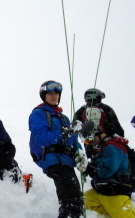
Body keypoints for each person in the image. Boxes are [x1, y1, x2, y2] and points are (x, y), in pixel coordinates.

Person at [28, 80, 85, 218]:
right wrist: (64, 133)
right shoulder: (38, 114)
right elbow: (40, 138)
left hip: (66, 161)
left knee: (75, 197)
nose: (54, 96)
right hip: (52, 159)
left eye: (57, 93)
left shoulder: (64, 118)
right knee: (71, 198)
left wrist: (80, 154)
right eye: (50, 93)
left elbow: (73, 141)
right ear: (44, 96)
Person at [82, 125, 135, 217]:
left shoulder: (113, 146)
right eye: (86, 142)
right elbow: (100, 163)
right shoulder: (104, 146)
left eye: (90, 140)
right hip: (101, 190)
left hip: (115, 191)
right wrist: (88, 167)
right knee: (81, 202)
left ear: (97, 134)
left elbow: (108, 170)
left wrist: (94, 170)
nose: (90, 144)